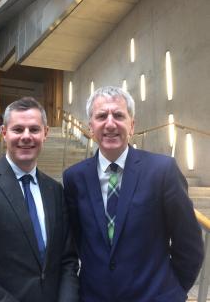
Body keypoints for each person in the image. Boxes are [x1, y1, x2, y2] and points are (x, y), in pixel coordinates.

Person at [63, 86, 204, 302]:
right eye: (101, 116)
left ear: (132, 125)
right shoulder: (74, 178)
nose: (110, 123)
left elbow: (189, 244)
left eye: (119, 115)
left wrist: (173, 292)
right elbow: (79, 241)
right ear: (91, 127)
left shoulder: (162, 170)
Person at [0, 97, 79, 302]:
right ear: (4, 133)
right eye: (18, 129)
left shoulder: (55, 191)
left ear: (45, 133)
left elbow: (68, 261)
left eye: (34, 130)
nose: (26, 136)